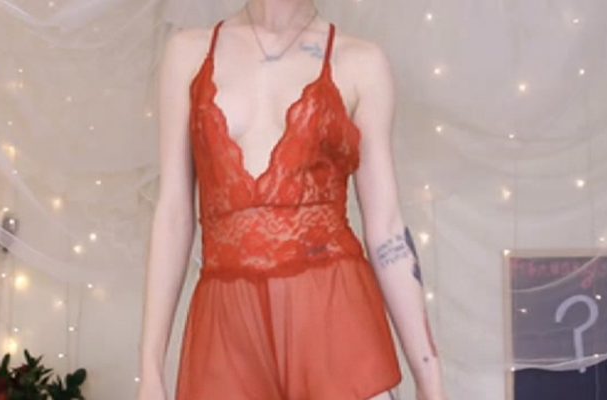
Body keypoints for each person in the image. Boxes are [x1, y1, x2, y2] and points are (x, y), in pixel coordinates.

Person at [138, 1, 446, 399]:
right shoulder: (188, 53)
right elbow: (173, 214)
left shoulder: (359, 61)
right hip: (229, 329)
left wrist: (429, 378)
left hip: (333, 319)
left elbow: (386, 227)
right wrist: (150, 369)